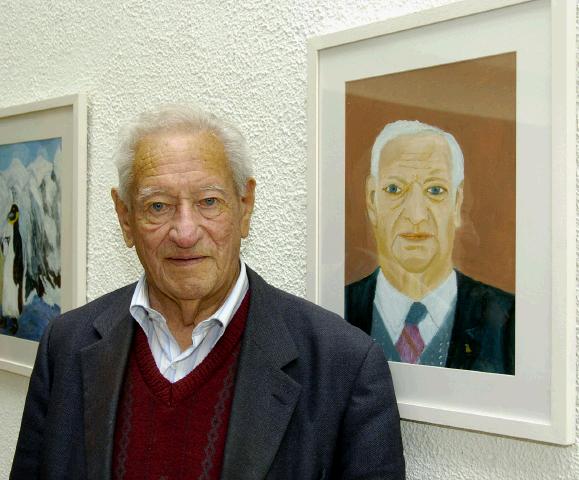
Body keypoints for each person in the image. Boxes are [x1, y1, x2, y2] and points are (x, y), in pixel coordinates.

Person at [10, 105, 405, 480]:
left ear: (245, 206)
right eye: (159, 206)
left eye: (208, 202)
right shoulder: (65, 345)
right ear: (125, 218)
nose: (185, 233)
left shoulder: (345, 367)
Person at [345, 120, 515, 374]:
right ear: (372, 201)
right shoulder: (338, 309)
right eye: (394, 189)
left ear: (457, 204)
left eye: (435, 190)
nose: (416, 215)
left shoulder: (509, 321)